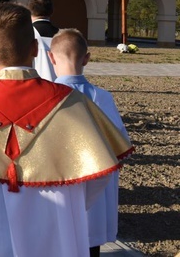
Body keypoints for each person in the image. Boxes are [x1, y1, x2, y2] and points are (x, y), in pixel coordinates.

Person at [0, 2, 133, 257]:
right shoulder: (74, 104)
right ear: (36, 48)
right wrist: (71, 204)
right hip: (60, 234)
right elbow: (98, 174)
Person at [49, 29, 130, 257]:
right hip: (94, 188)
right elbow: (121, 145)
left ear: (51, 57)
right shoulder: (102, 97)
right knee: (89, 246)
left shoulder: (45, 97)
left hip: (57, 187)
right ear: (87, 58)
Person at [28, 0, 59, 81]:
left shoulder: (27, 33)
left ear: (29, 11)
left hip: (36, 86)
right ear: (52, 11)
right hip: (60, 87)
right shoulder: (63, 36)